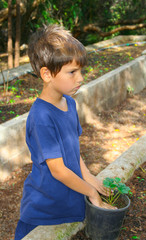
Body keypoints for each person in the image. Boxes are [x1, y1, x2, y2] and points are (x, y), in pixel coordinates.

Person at [14, 24, 115, 240]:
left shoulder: (69, 104)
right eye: (72, 72)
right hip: (43, 210)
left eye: (81, 71)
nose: (80, 78)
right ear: (47, 74)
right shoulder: (41, 117)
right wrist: (91, 192)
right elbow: (58, 171)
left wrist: (89, 177)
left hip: (68, 202)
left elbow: (73, 149)